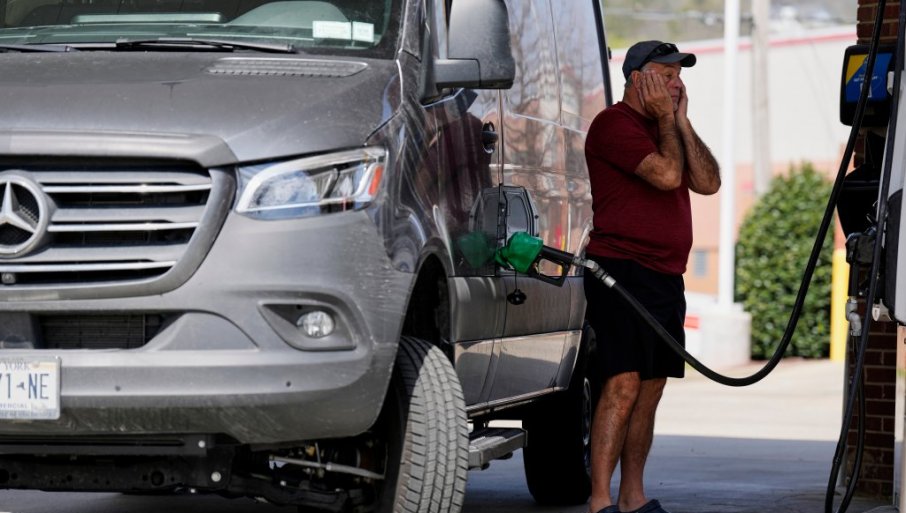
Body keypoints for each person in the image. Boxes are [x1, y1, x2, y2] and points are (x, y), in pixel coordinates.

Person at [583, 40, 721, 513]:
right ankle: (599, 501)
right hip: (620, 271)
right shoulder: (612, 125)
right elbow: (665, 177)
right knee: (621, 383)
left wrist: (680, 122)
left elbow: (708, 182)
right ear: (637, 78)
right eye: (665, 74)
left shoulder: (670, 128)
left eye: (679, 75)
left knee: (651, 386)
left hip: (665, 276)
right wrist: (666, 121)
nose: (676, 83)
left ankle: (632, 498)